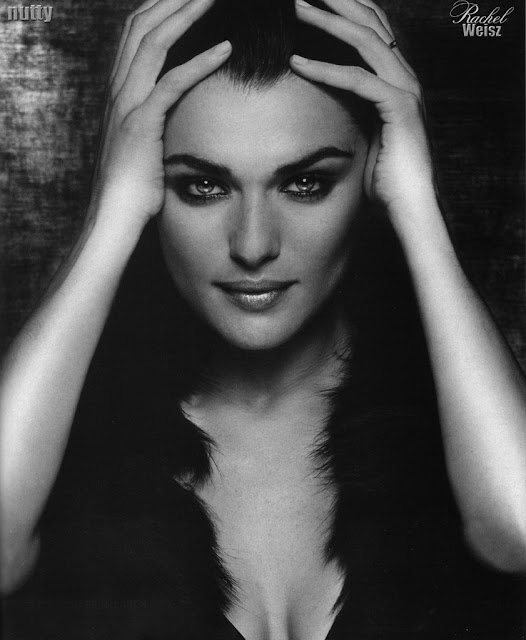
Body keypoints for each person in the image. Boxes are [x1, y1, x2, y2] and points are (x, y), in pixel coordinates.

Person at [1, 0, 525, 638]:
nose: (253, 245)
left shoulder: (456, 432)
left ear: (375, 174)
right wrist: (109, 217)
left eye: (305, 184)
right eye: (202, 186)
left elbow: (517, 534)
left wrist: (418, 206)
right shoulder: (66, 441)